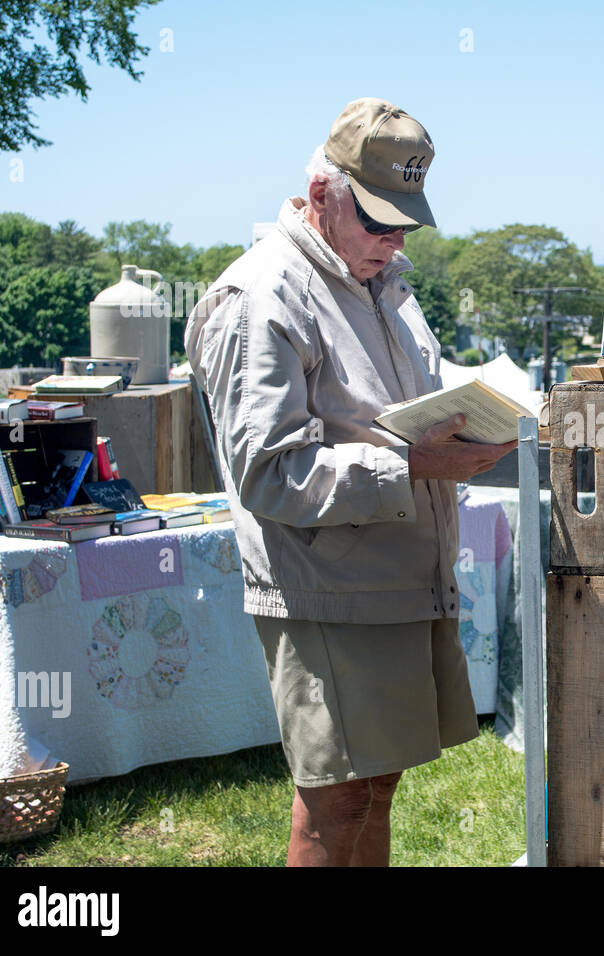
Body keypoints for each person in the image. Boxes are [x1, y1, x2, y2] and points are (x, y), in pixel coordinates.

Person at [185, 98, 515, 866]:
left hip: (395, 578)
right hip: (324, 586)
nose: (393, 240)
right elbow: (270, 474)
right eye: (376, 220)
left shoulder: (382, 282)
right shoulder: (261, 297)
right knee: (338, 796)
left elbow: (394, 404)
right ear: (320, 190)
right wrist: (412, 464)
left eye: (405, 223)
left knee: (377, 783)